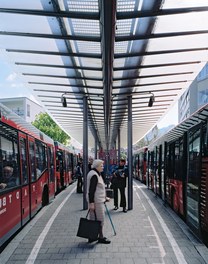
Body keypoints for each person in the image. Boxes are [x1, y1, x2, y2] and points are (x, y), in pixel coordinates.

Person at [86, 159, 111, 244]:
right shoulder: (94, 175)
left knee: (93, 219)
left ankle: (92, 236)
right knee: (100, 219)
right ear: (97, 166)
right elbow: (91, 191)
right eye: (101, 166)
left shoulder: (95, 173)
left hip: (97, 200)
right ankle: (100, 237)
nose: (103, 167)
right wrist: (92, 203)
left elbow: (98, 188)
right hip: (96, 201)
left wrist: (105, 197)